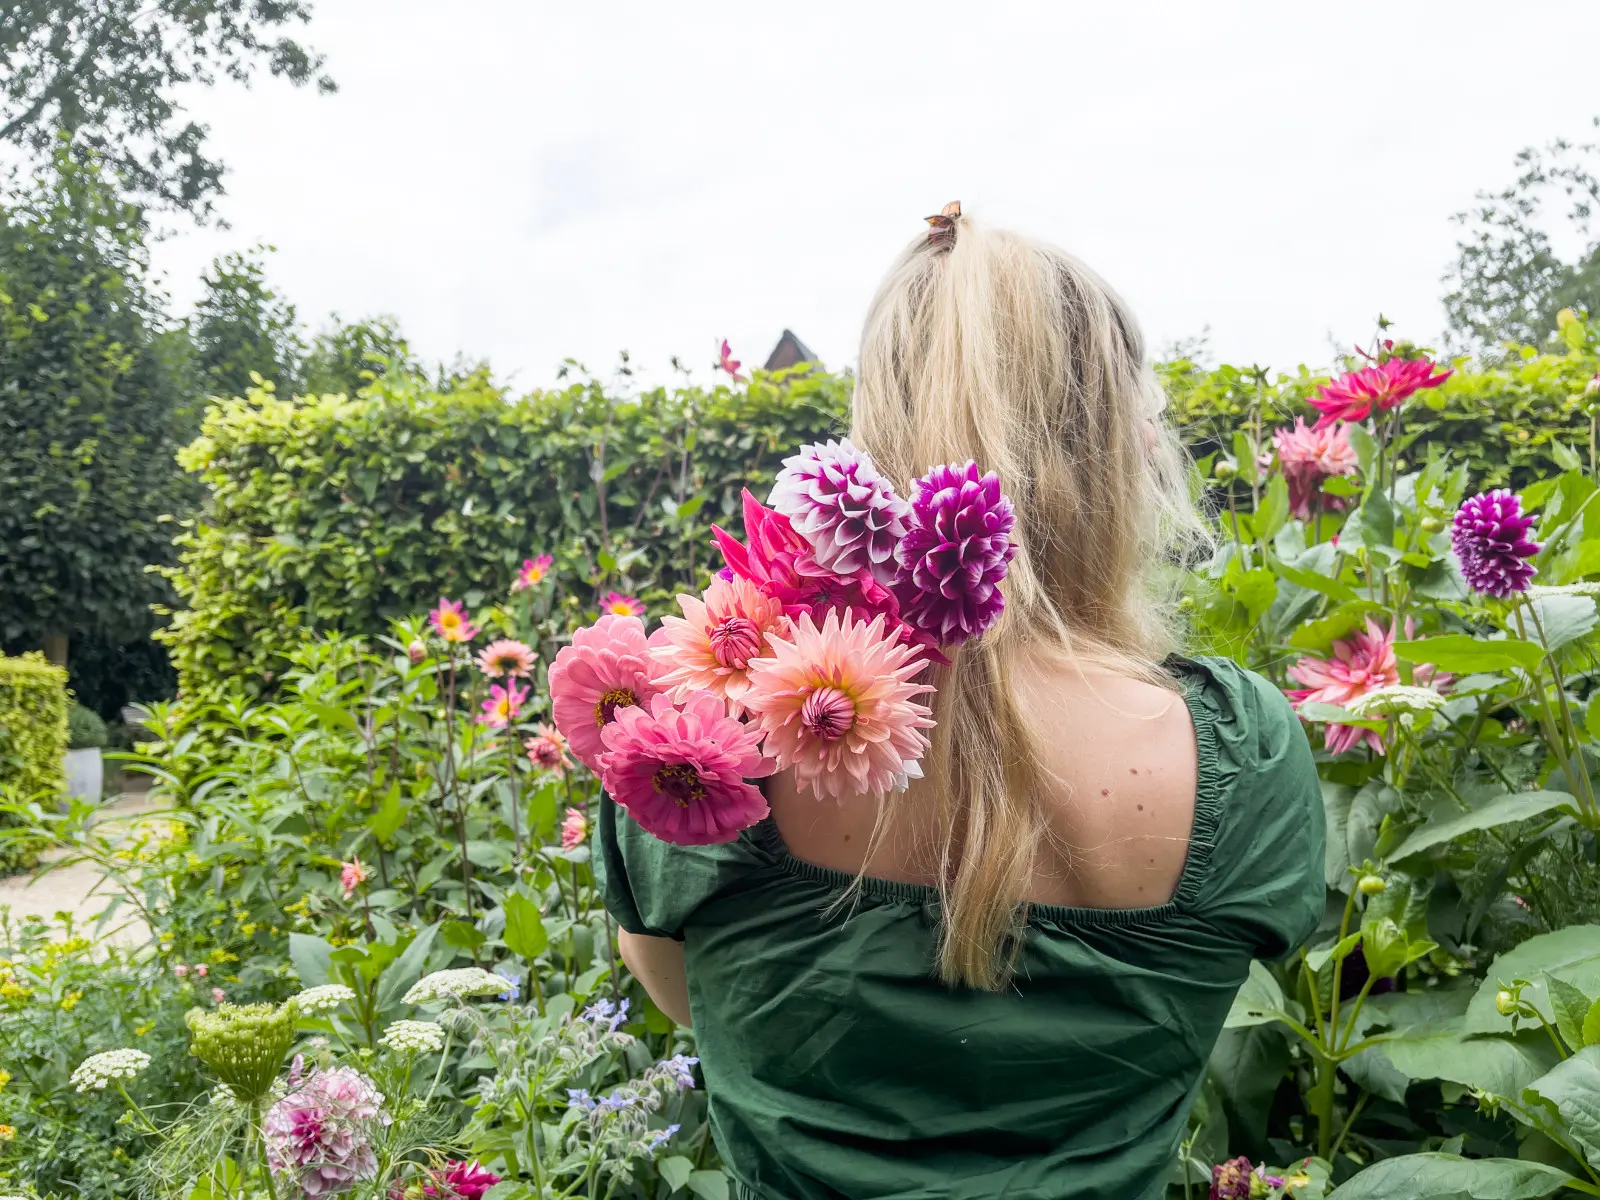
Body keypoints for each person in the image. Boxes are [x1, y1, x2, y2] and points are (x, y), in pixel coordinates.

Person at [596, 206, 1325, 1200]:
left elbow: (694, 1003)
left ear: (867, 434)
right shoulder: (1241, 753)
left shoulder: (702, 737)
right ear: (1122, 446)